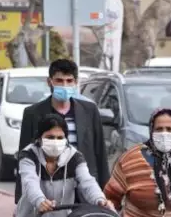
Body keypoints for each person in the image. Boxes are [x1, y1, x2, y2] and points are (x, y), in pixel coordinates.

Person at [16, 59, 109, 204]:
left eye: (69, 80)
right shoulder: (33, 113)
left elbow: (100, 153)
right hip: (48, 189)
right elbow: (24, 156)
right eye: (59, 80)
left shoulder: (89, 111)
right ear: (49, 82)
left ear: (76, 82)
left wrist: (105, 193)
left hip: (84, 186)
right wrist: (20, 200)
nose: (64, 85)